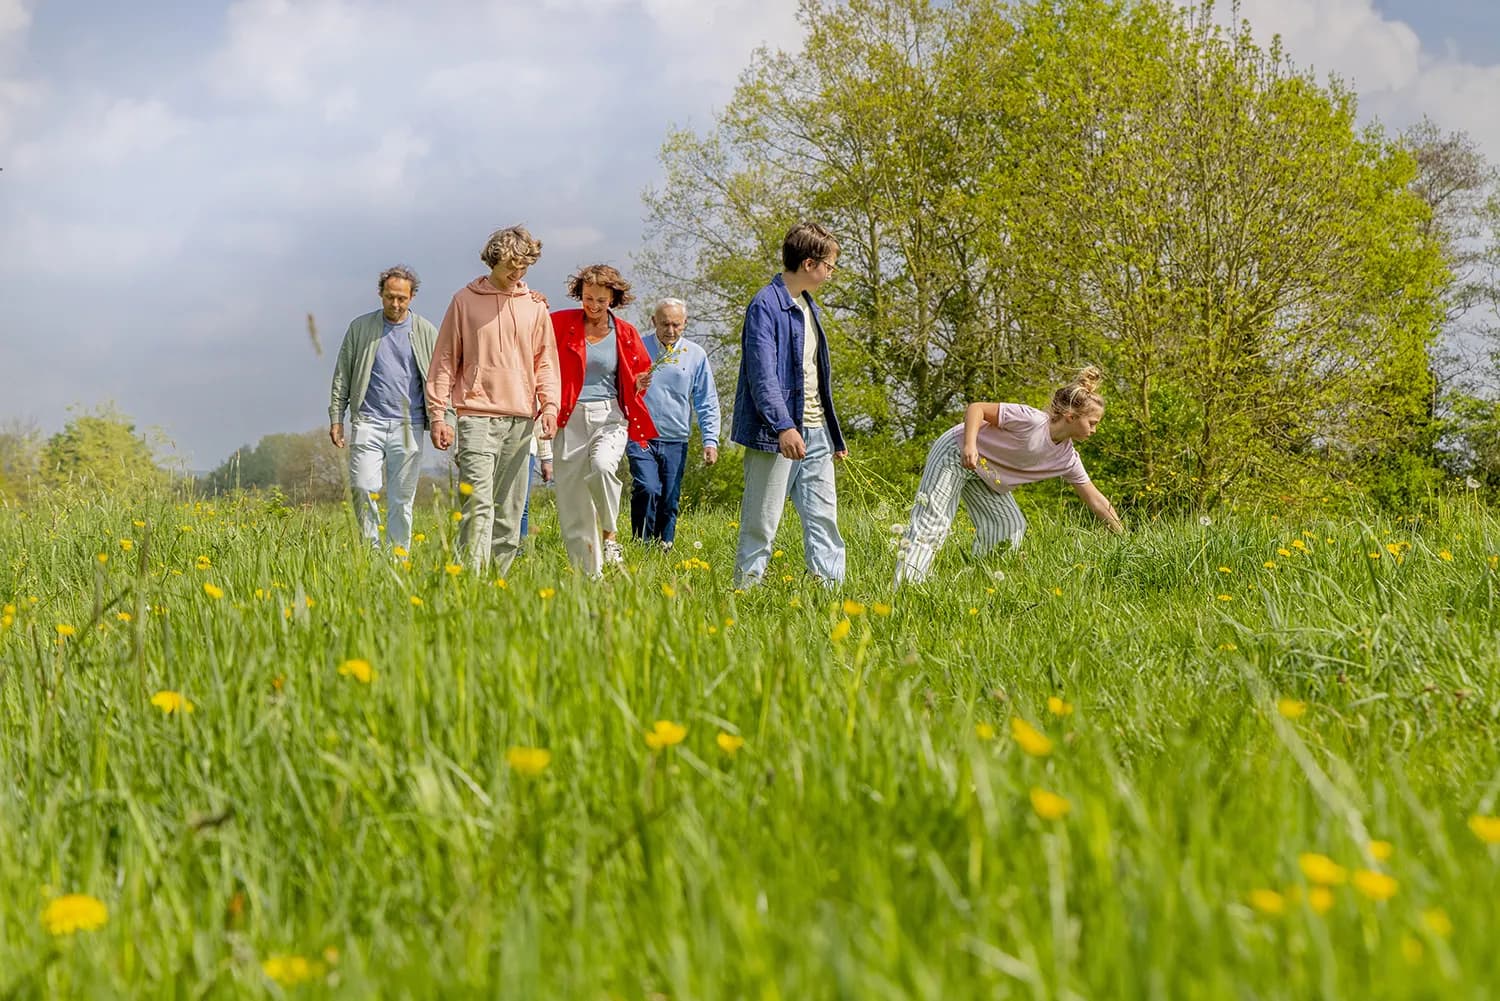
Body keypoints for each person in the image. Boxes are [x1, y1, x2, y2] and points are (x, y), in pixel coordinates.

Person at [893, 366, 1124, 586]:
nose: (1094, 430)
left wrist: (1123, 538)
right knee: (933, 521)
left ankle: (978, 585)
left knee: (1009, 526)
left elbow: (1097, 502)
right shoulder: (1031, 421)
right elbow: (977, 408)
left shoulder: (1066, 458)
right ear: (1071, 416)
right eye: (1092, 423)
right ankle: (906, 587)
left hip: (985, 472)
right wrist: (970, 445)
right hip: (956, 452)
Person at [425, 225, 559, 577]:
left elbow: (545, 362)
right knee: (478, 505)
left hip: (521, 419)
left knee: (511, 509)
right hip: (475, 417)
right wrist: (439, 414)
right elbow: (444, 360)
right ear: (492, 261)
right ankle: (469, 581)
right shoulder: (464, 301)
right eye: (510, 267)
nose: (517, 274)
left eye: (524, 268)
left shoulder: (535, 307)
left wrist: (550, 405)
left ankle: (497, 584)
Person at [731, 222, 847, 588]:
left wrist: (833, 437)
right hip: (777, 433)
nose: (831, 273)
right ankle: (746, 594)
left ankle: (830, 593)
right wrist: (784, 426)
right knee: (761, 521)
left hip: (816, 434)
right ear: (810, 263)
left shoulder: (808, 306)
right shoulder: (765, 305)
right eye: (829, 265)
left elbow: (814, 375)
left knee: (823, 518)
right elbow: (762, 375)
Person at [550, 264, 657, 575]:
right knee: (574, 506)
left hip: (609, 416)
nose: (593, 306)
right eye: (588, 298)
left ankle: (610, 535)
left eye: (601, 300)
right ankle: (590, 578)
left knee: (601, 468)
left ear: (613, 299)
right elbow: (533, 337)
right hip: (569, 418)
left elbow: (639, 371)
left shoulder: (625, 333)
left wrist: (638, 383)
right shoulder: (560, 323)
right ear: (579, 295)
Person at [328, 265, 441, 551]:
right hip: (369, 421)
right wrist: (337, 417)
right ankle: (371, 552)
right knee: (363, 487)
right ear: (380, 294)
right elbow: (343, 373)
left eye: (402, 298)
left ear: (412, 297)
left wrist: (442, 420)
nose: (395, 304)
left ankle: (397, 558)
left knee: (402, 499)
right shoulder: (360, 328)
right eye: (390, 297)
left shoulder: (426, 331)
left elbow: (439, 379)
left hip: (409, 424)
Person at [628, 297, 720, 550]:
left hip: (675, 437)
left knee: (669, 497)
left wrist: (710, 440)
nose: (670, 331)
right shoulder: (637, 348)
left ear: (685, 324)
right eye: (665, 324)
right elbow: (621, 388)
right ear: (653, 321)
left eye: (676, 325)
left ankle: (664, 545)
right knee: (647, 488)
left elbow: (706, 399)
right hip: (641, 434)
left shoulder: (695, 355)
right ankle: (642, 545)